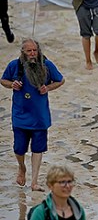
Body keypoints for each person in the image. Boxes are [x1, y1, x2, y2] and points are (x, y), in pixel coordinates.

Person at [1, 39, 64, 191]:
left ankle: (34, 182)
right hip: (20, 114)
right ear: (23, 52)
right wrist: (12, 85)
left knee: (38, 148)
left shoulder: (46, 65)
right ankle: (22, 168)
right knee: (19, 148)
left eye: (35, 50)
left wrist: (47, 88)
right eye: (29, 51)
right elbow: (3, 80)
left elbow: (60, 80)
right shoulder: (14, 65)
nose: (32, 53)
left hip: (40, 116)